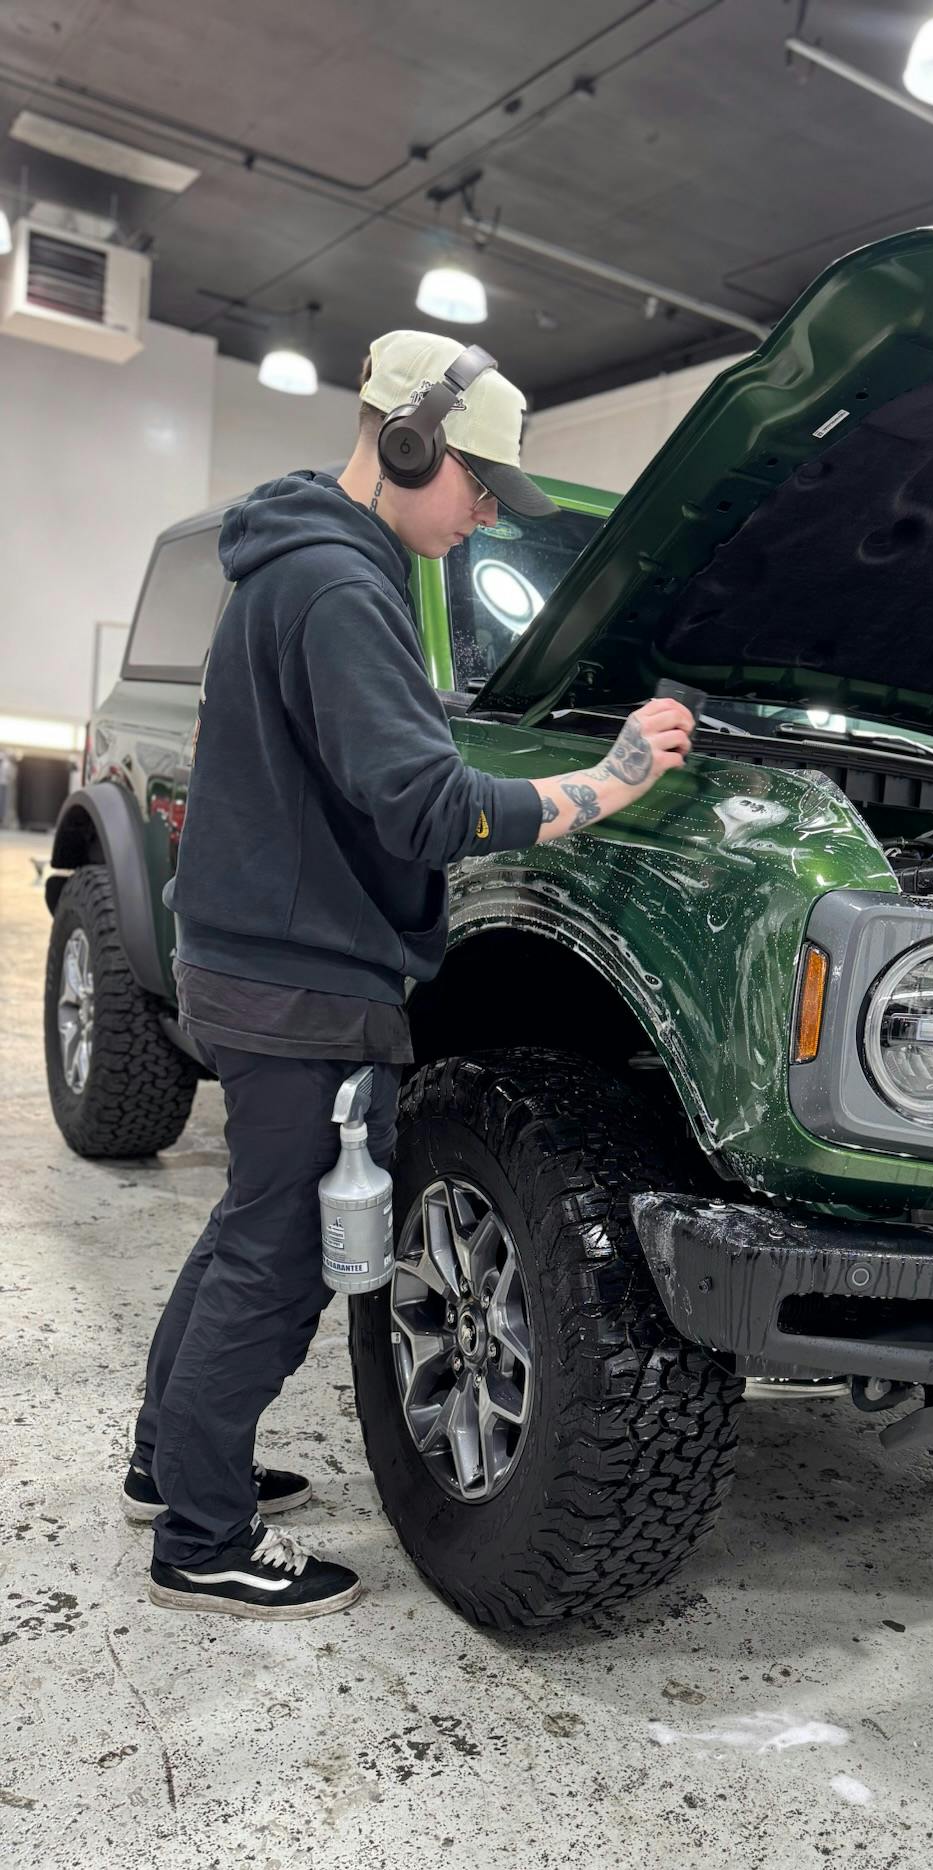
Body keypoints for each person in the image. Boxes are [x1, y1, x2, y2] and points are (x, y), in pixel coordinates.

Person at [125, 330, 694, 1621]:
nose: (488, 510)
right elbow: (425, 804)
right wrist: (611, 779)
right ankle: (202, 1541)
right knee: (276, 1260)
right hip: (303, 982)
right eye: (480, 481)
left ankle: (175, 1466)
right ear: (409, 444)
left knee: (243, 1234)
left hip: (260, 963)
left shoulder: (304, 565)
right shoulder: (339, 585)